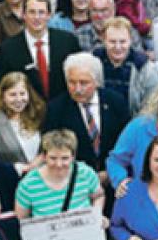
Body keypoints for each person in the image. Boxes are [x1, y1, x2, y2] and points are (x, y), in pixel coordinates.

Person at [14, 129, 105, 240]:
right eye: (53, 158)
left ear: (73, 156)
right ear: (44, 156)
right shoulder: (29, 184)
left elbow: (98, 195)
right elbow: (21, 219)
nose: (59, 164)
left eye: (65, 158)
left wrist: (96, 215)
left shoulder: (85, 173)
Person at [44, 52, 131, 193]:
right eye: (72, 82)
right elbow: (52, 148)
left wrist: (110, 172)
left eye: (84, 83)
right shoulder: (56, 109)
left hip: (115, 182)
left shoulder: (116, 102)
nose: (77, 89)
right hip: (76, 185)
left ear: (96, 81)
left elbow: (127, 143)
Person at [0, 0, 82, 100]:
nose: (37, 17)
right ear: (23, 15)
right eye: (32, 12)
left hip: (64, 105)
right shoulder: (8, 49)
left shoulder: (68, 41)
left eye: (41, 12)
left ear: (49, 15)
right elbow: (2, 87)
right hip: (26, 107)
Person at [0, 72, 46, 175]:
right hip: (12, 178)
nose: (18, 99)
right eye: (12, 95)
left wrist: (40, 159)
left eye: (22, 94)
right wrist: (21, 169)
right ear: (2, 96)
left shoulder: (39, 113)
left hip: (43, 175)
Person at [94, 17, 158, 113]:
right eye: (112, 42)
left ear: (130, 40)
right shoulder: (93, 63)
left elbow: (153, 104)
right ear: (104, 40)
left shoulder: (145, 68)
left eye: (122, 42)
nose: (118, 47)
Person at [77, 0, 145, 53]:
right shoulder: (80, 34)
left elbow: (139, 59)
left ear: (113, 11)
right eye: (95, 11)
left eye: (104, 10)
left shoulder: (129, 32)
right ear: (89, 12)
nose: (99, 15)